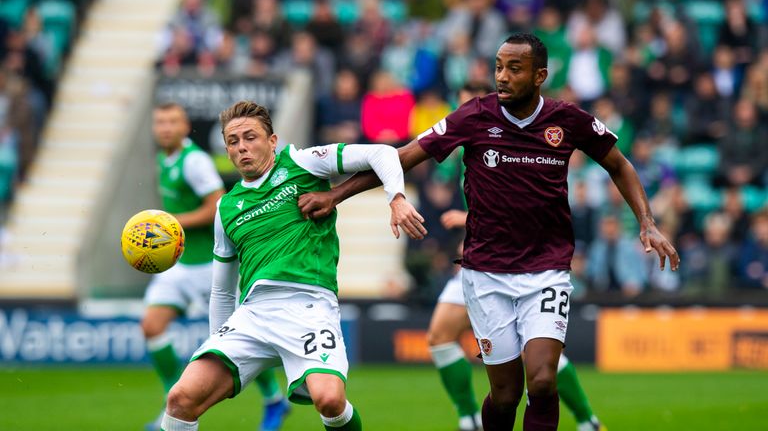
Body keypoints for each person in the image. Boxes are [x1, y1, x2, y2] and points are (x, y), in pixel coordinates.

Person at [298, 33, 679, 431]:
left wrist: (647, 222)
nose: (502, 76)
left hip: (546, 268)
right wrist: (337, 195)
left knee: (544, 380)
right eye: (498, 66)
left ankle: (581, 417)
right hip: (486, 274)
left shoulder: (568, 120)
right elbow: (405, 156)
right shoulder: (474, 115)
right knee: (505, 395)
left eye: (515, 68)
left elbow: (618, 164)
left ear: (539, 75)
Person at [160, 101, 423, 431]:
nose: (242, 147)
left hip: (309, 308)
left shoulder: (301, 163)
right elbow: (222, 290)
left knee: (329, 400)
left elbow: (382, 154)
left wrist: (395, 198)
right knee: (180, 399)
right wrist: (222, 348)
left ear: (272, 141)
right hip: (253, 314)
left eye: (250, 137)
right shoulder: (226, 208)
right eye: (233, 141)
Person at [430, 80, 608, 431]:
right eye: (458, 106)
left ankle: (587, 418)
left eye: (468, 105)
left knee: (539, 364)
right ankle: (468, 417)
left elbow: (523, 205)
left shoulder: (512, 133)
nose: (462, 115)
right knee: (439, 336)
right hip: (481, 265)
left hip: (531, 264)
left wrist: (470, 221)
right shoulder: (463, 147)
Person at [143, 102, 289, 431]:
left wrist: (169, 223)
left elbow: (217, 207)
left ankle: (274, 399)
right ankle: (172, 400)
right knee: (152, 326)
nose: (165, 127)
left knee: (242, 338)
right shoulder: (162, 160)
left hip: (210, 264)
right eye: (160, 122)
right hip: (179, 266)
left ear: (184, 127)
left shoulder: (194, 162)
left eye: (173, 121)